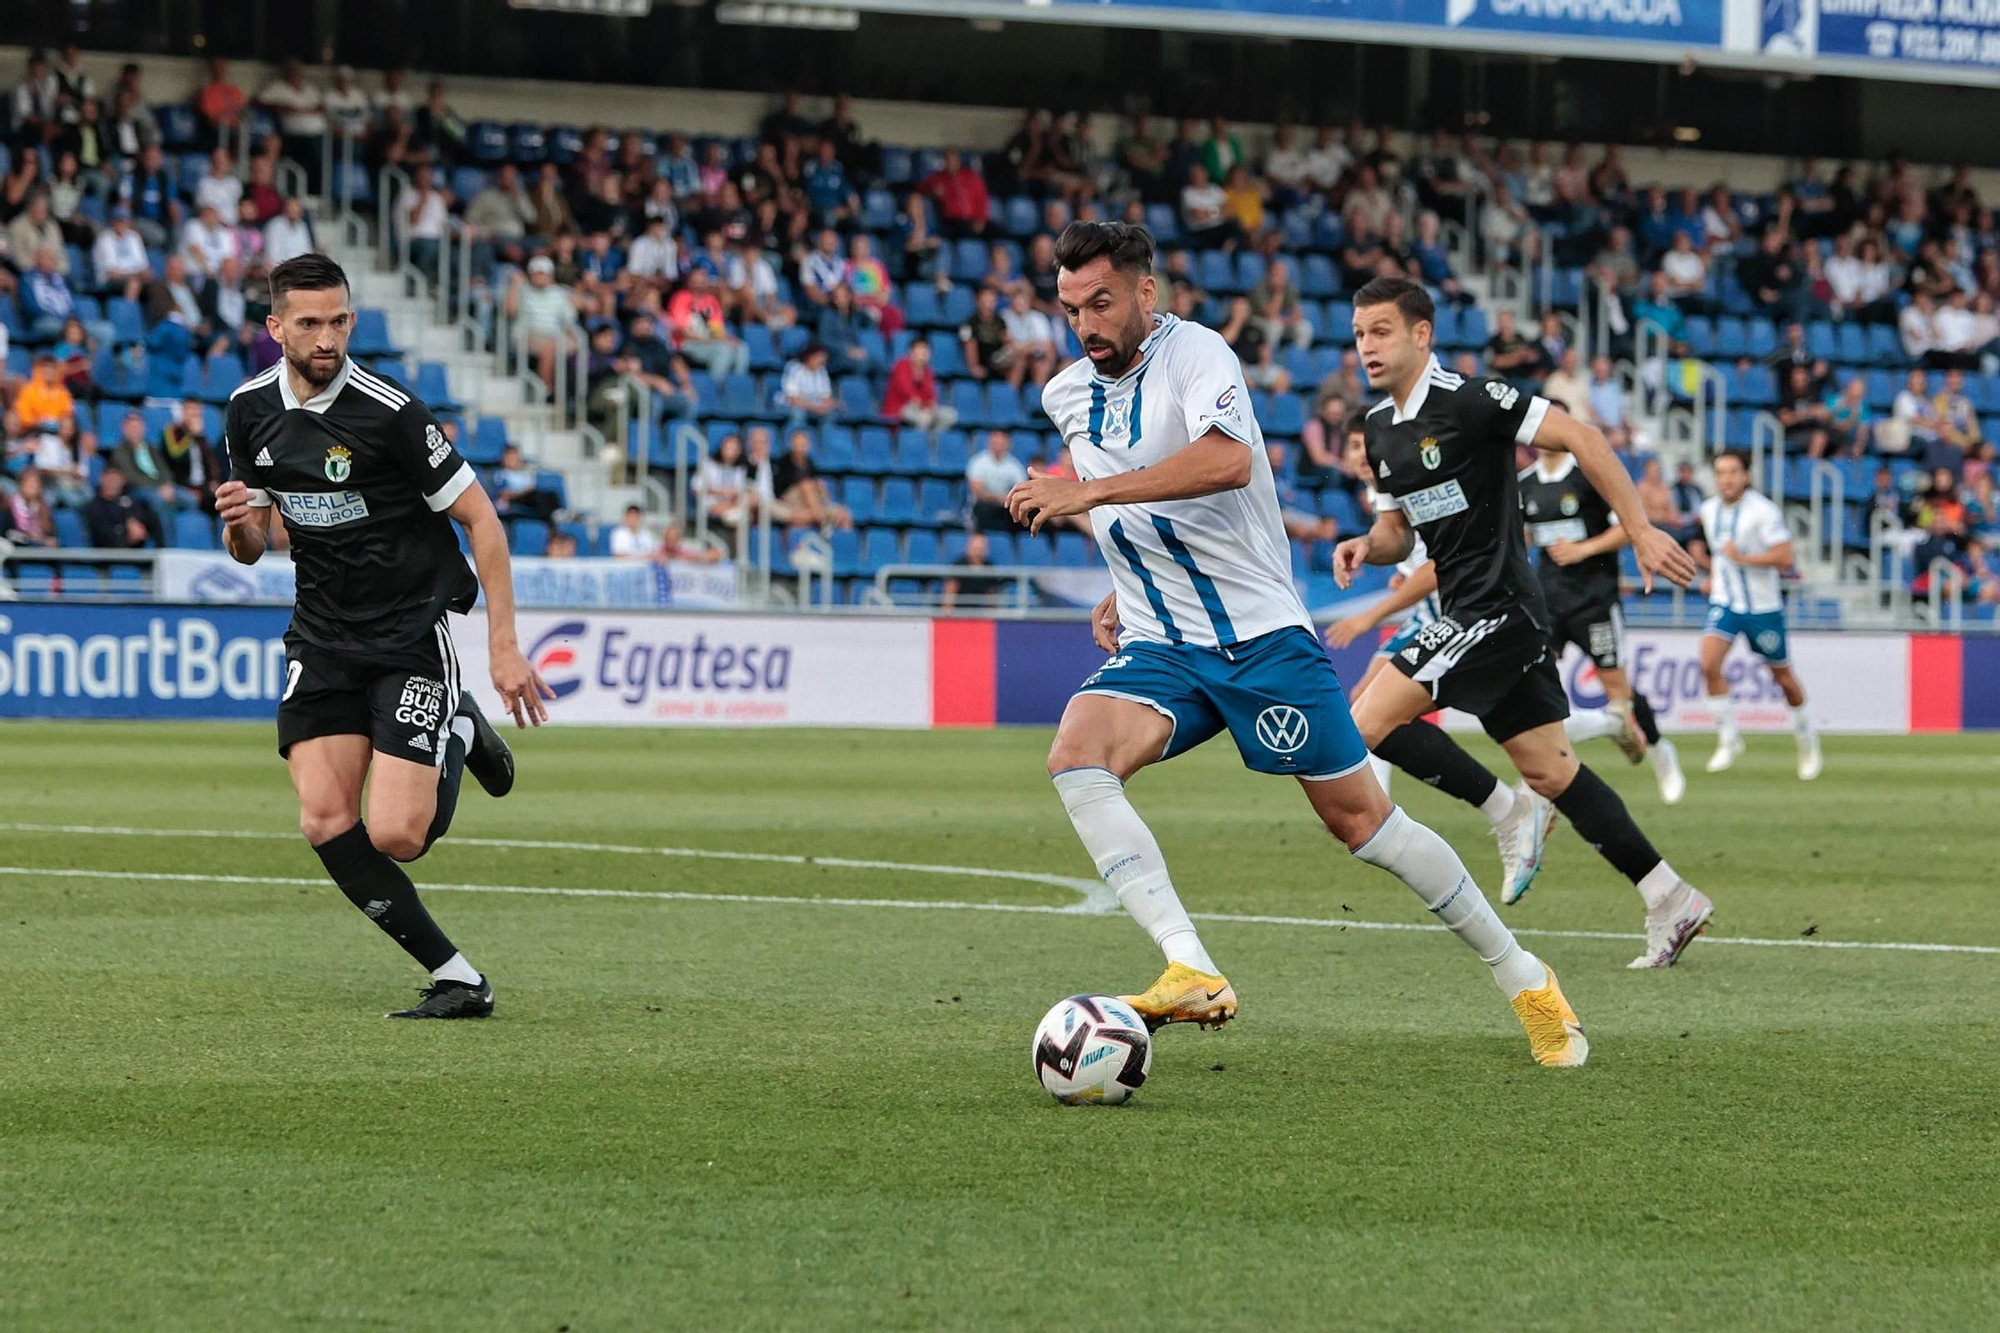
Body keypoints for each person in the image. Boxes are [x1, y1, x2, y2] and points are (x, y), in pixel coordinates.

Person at [1003, 222, 1587, 1066]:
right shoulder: (1066, 394)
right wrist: (1120, 575)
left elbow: (1226, 463)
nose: (1087, 324)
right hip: (1165, 639)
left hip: (1260, 637)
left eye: (1101, 303)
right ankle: (1189, 964)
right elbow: (1139, 502)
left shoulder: (1198, 354)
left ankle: (1527, 976)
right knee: (1076, 753)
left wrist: (1083, 494)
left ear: (1145, 293)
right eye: (1070, 309)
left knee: (1363, 823)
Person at [1332, 275, 1712, 971]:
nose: (1367, 346)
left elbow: (1582, 434)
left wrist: (1640, 526)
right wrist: (1367, 544)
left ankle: (1508, 813)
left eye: (1381, 330)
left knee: (1365, 722)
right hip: (1474, 614)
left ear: (1422, 333)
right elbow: (1396, 530)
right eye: (1359, 334)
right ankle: (1670, 895)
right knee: (1553, 769)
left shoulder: (1473, 400)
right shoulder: (1380, 430)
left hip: (1500, 608)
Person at [216, 254, 552, 1019]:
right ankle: (460, 977)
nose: (327, 336)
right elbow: (258, 539)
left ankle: (458, 721)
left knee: (398, 833)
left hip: (406, 633)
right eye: (309, 323)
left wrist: (502, 646)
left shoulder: (391, 410)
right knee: (325, 819)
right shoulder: (247, 411)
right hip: (322, 636)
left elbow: (483, 520)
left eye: (338, 320)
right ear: (276, 329)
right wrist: (239, 526)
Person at [1518, 438, 1686, 804]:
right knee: (1535, 683)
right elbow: (1524, 533)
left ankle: (1660, 751)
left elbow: (1629, 527)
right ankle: (1552, 773)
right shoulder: (1525, 483)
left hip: (1594, 600)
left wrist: (1583, 549)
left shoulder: (1586, 478)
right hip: (1547, 603)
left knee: (1619, 692)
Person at [1697, 449, 1821, 783]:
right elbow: (1721, 555)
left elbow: (1785, 556)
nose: (1726, 478)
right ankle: (1729, 739)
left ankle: (1806, 739)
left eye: (1733, 472)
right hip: (1726, 602)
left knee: (1783, 679)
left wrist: (1742, 559)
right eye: (1721, 472)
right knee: (1709, 664)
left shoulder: (1763, 511)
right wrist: (1716, 576)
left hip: (1763, 608)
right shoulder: (1708, 510)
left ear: (1746, 476)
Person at [882, 338, 957, 436]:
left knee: (950, 415)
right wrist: (924, 406)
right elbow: (906, 393)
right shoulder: (901, 366)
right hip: (902, 408)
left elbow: (931, 395)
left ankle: (934, 441)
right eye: (920, 351)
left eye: (926, 351)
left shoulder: (928, 371)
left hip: (922, 408)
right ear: (912, 352)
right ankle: (919, 444)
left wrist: (930, 406)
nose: (923, 354)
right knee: (922, 417)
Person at [967, 428, 1027, 532]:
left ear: (1008, 444)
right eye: (995, 442)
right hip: (984, 505)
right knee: (983, 509)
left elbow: (1022, 490)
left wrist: (1004, 499)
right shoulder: (978, 462)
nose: (998, 446)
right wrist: (1001, 498)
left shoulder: (1014, 465)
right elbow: (978, 492)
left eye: (1001, 443)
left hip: (1006, 505)